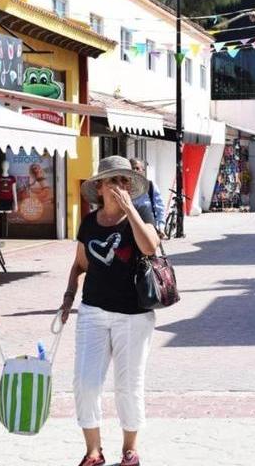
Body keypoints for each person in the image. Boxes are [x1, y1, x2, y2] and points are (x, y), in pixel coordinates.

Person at [60, 156, 161, 466]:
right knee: (85, 382)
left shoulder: (140, 213)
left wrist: (130, 210)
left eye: (123, 181)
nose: (118, 186)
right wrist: (68, 297)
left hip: (133, 313)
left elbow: (150, 247)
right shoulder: (89, 222)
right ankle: (93, 450)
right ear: (99, 187)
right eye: (112, 181)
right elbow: (80, 264)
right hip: (92, 311)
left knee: (128, 384)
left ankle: (130, 449)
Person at [130, 158, 166, 236]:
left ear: (143, 171)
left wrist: (160, 227)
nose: (136, 171)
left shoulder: (150, 186)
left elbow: (160, 208)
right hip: (129, 229)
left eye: (138, 168)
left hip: (149, 228)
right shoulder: (125, 188)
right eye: (133, 168)